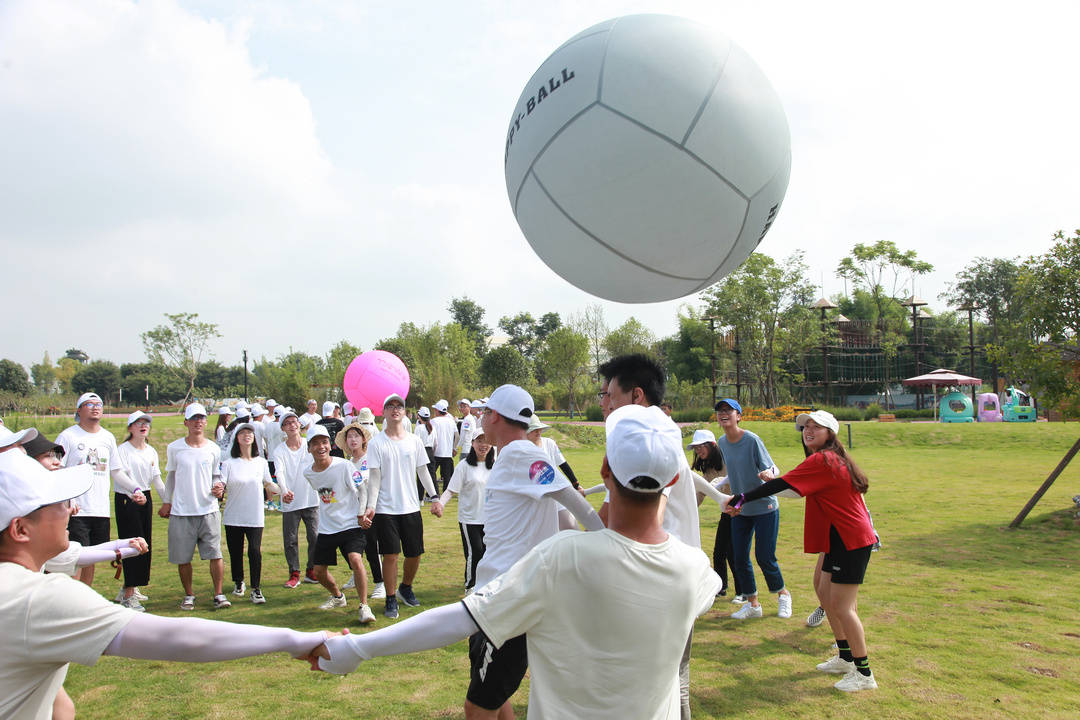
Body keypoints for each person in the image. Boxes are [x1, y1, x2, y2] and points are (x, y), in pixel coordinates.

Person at [308, 404, 721, 720]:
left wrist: (359, 647)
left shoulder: (562, 558)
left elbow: (461, 618)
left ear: (605, 469)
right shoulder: (697, 572)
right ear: (673, 479)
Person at [0, 452, 333, 720]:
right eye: (56, 503)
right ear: (20, 529)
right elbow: (178, 639)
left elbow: (56, 703)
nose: (70, 509)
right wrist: (294, 639)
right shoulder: (37, 599)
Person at [596, 354, 730, 720]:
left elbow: (612, 518)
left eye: (609, 395)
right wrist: (718, 497)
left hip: (650, 571)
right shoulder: (663, 428)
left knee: (654, 680)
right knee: (674, 673)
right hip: (678, 570)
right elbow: (681, 477)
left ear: (636, 395)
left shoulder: (633, 435)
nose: (605, 404)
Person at [460, 383, 603, 719]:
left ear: (495, 416)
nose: (479, 416)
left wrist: (613, 547)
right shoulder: (513, 454)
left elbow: (576, 505)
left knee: (477, 705)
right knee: (491, 695)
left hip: (510, 601)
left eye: (483, 411)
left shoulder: (523, 454)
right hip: (493, 595)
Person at [727, 410, 878, 692]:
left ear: (830, 433)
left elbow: (783, 485)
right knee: (823, 591)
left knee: (842, 606)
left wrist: (743, 497)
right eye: (805, 427)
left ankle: (864, 673)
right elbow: (793, 490)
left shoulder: (825, 459)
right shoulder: (822, 460)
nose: (808, 431)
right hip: (839, 538)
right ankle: (846, 657)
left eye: (815, 427)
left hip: (851, 539)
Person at [714, 398, 792, 620]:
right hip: (741, 508)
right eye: (720, 411)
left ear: (739, 416)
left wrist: (769, 474)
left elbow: (772, 466)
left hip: (765, 505)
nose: (724, 414)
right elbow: (736, 471)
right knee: (739, 557)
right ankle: (753, 604)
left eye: (729, 410)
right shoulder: (722, 442)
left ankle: (783, 594)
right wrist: (719, 484)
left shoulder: (751, 440)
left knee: (765, 556)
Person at [367, 393, 440, 619]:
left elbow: (423, 471)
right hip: (386, 509)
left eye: (399, 406)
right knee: (390, 555)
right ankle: (390, 598)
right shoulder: (377, 443)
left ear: (405, 412)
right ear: (384, 412)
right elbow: (375, 477)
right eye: (390, 406)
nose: (395, 409)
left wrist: (435, 497)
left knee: (415, 553)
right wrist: (371, 506)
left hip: (411, 507)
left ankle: (405, 588)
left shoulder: (414, 440)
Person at [56, 392, 140, 587]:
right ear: (79, 410)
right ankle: (71, 603)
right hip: (77, 510)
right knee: (76, 558)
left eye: (99, 404)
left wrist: (134, 489)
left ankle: (85, 601)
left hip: (100, 510)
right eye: (89, 404)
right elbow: (57, 471)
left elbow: (116, 471)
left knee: (91, 559)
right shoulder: (68, 436)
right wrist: (68, 501)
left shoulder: (107, 437)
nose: (95, 407)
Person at [159, 403, 231, 611]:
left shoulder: (213, 449)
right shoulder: (175, 448)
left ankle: (218, 593)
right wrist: (167, 500)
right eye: (194, 419)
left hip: (208, 509)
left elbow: (217, 475)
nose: (198, 422)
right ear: (186, 423)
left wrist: (220, 487)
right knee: (183, 557)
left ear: (206, 422)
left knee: (215, 554)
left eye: (201, 418)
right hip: (182, 511)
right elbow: (171, 476)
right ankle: (189, 594)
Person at [302, 426, 376, 624]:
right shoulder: (308, 473)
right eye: (316, 443)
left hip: (351, 524)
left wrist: (361, 513)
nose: (321, 447)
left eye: (324, 442)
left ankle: (364, 606)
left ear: (330, 444)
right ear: (309, 448)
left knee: (355, 559)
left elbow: (362, 489)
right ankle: (337, 596)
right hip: (327, 528)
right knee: (318, 571)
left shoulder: (344, 466)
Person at [219, 423, 280, 604]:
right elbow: (221, 484)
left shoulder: (260, 463)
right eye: (243, 433)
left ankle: (256, 588)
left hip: (254, 515)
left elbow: (269, 484)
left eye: (250, 433)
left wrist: (279, 491)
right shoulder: (229, 464)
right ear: (237, 439)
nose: (247, 436)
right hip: (233, 515)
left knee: (255, 551)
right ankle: (239, 582)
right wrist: (217, 489)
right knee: (235, 551)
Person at [114, 411, 167, 611]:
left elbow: (156, 479)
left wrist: (167, 501)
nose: (143, 426)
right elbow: (121, 476)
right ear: (130, 428)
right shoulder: (123, 450)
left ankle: (130, 586)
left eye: (146, 423)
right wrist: (134, 493)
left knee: (145, 544)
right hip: (128, 499)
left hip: (145, 497)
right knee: (132, 545)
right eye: (138, 424)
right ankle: (128, 595)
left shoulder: (151, 451)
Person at [436, 422, 492, 593]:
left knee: (488, 554)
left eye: (486, 440)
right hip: (470, 519)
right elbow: (451, 490)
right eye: (479, 441)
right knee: (475, 553)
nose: (483, 445)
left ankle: (486, 585)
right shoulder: (464, 466)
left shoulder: (496, 466)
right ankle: (470, 586)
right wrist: (440, 503)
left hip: (490, 519)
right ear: (473, 444)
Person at [687, 428, 740, 598]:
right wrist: (686, 509)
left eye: (702, 446)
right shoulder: (709, 469)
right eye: (696, 448)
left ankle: (743, 592)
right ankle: (721, 586)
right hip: (727, 511)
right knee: (719, 551)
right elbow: (701, 493)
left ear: (712, 445)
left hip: (740, 510)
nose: (699, 450)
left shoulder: (729, 461)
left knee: (733, 551)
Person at [336, 421, 386, 600]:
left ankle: (380, 582)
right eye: (350, 437)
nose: (353, 440)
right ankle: (356, 574)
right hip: (352, 511)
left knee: (372, 545)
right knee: (350, 546)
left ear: (363, 439)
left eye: (356, 436)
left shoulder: (369, 459)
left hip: (369, 509)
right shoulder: (348, 463)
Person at [272, 411, 321, 588]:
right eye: (288, 423)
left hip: (311, 499)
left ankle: (311, 570)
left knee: (315, 536)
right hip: (290, 501)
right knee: (290, 539)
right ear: (283, 428)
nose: (292, 425)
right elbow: (280, 472)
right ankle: (294, 572)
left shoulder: (309, 445)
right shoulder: (279, 450)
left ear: (300, 425)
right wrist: (284, 491)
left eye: (295, 422)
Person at [429, 399, 458, 492]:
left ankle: (433, 493)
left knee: (432, 474)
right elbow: (457, 436)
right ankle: (446, 493)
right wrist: (454, 448)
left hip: (437, 451)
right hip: (447, 453)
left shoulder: (434, 421)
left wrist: (432, 449)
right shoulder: (451, 421)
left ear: (437, 410)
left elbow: (432, 437)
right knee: (447, 476)